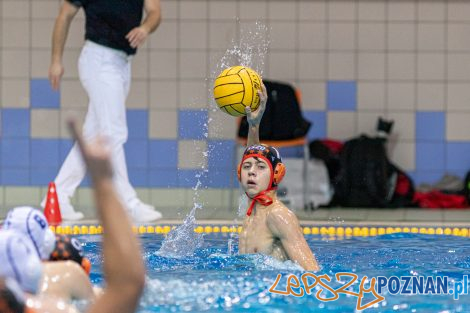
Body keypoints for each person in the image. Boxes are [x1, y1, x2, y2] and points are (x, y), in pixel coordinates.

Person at [43, 0, 163, 222]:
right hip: (99, 60)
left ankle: (59, 196)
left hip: (122, 63)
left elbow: (155, 12)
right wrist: (56, 60)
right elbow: (64, 16)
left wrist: (145, 28)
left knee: (93, 134)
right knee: (113, 132)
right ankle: (127, 204)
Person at [237, 85, 320, 271]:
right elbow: (252, 153)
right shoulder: (255, 210)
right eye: (247, 167)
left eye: (260, 167)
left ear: (276, 174)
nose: (251, 172)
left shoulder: (278, 216)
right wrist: (253, 125)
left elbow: (312, 271)